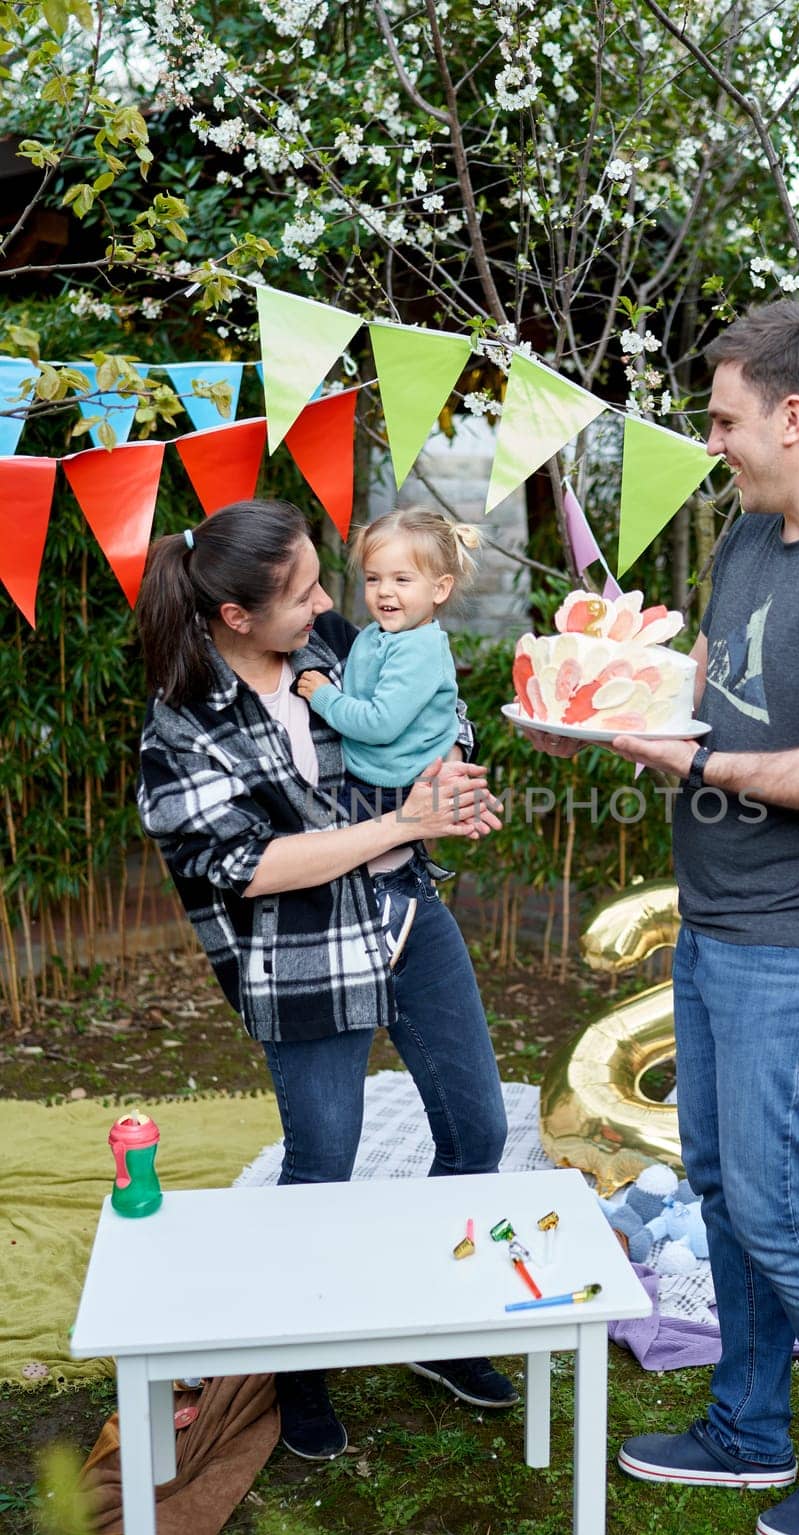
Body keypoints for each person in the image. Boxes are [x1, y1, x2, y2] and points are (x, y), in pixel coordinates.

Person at [532, 303, 799, 1535]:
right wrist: (599, 716)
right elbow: (700, 701)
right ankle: (748, 1424)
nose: (708, 442)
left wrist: (709, 756)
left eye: (720, 420)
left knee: (777, 1207)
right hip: (722, 916)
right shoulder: (752, 539)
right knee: (720, 1181)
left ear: (792, 414)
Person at [135, 499, 516, 1463]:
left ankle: (442, 1329)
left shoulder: (340, 639)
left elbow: (435, 708)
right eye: (304, 593)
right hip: (301, 955)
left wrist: (454, 775)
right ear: (236, 618)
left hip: (405, 918)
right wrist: (400, 826)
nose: (328, 603)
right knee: (322, 1168)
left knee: (478, 1127)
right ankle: (298, 1367)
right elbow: (251, 866)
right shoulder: (184, 728)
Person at [293, 507, 480, 967]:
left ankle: (394, 899)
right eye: (374, 579)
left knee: (362, 848)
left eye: (402, 580)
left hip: (392, 780)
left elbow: (380, 722)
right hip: (379, 771)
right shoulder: (379, 635)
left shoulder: (418, 648)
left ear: (440, 589)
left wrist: (324, 698)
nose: (384, 592)